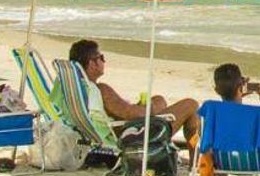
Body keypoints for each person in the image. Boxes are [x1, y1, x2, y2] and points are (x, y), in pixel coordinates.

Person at [68, 39, 199, 141]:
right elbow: (136, 114)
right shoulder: (101, 90)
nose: (104, 61)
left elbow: (121, 111)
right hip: (133, 137)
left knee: (159, 100)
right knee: (191, 104)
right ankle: (195, 161)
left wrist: (144, 106)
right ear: (92, 63)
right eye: (101, 58)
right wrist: (146, 108)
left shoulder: (79, 90)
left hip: (118, 128)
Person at [212, 63, 260, 148]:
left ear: (217, 90)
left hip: (222, 160)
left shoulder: (210, 117)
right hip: (256, 161)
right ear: (241, 87)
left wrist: (236, 94)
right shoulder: (259, 118)